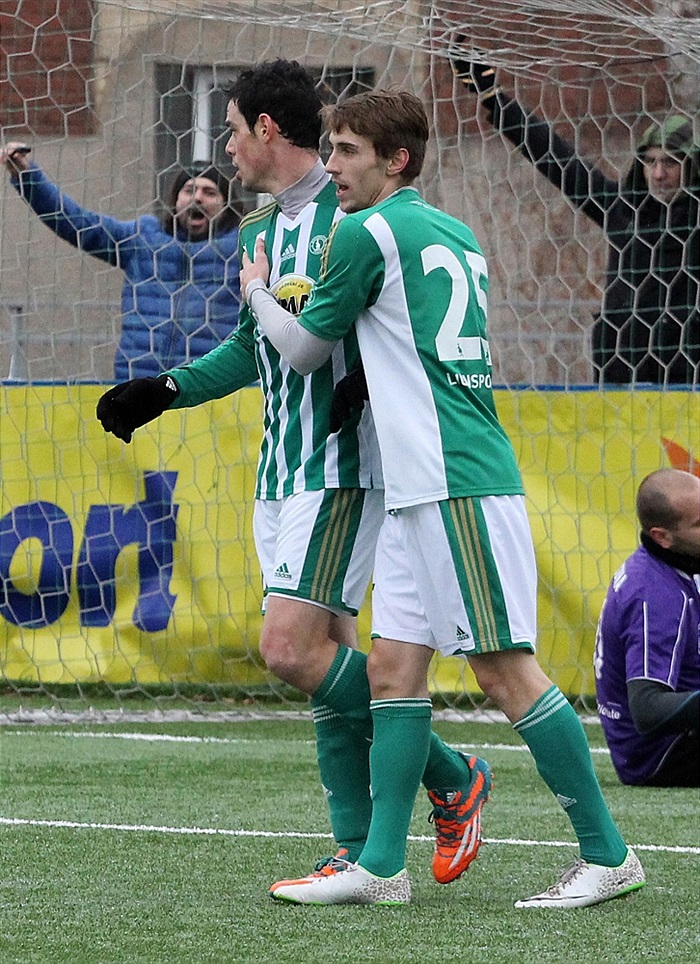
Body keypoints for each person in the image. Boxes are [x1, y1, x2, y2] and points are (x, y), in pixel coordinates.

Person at [239, 87, 645, 908]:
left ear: (396, 161)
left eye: (348, 151)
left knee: (504, 672)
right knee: (392, 674)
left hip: (454, 478)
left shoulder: (364, 232)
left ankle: (609, 855)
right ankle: (381, 868)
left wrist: (256, 290)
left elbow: (305, 350)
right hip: (415, 485)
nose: (333, 165)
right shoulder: (453, 232)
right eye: (331, 147)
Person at [95, 60, 492, 893]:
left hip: (341, 466)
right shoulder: (258, 231)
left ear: (267, 130)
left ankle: (454, 777)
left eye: (233, 130)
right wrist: (168, 389)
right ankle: (355, 850)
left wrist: (364, 379)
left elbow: (387, 321)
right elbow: (255, 347)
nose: (227, 148)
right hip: (280, 469)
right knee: (326, 659)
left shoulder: (355, 215)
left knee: (287, 649)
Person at [452, 58, 700, 387]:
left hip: (685, 378)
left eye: (670, 162)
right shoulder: (625, 211)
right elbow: (561, 163)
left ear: (691, 166)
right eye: (650, 161)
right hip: (620, 373)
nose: (658, 173)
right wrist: (496, 100)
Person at [0, 145, 242, 379]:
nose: (197, 198)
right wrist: (27, 176)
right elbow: (78, 223)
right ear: (175, 200)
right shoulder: (144, 238)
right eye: (189, 190)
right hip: (138, 383)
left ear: (226, 204)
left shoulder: (242, 248)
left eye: (209, 192)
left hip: (210, 387)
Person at [595, 468, 700, 787]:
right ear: (662, 537)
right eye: (699, 524)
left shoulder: (681, 560)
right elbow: (648, 709)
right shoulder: (654, 596)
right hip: (660, 754)